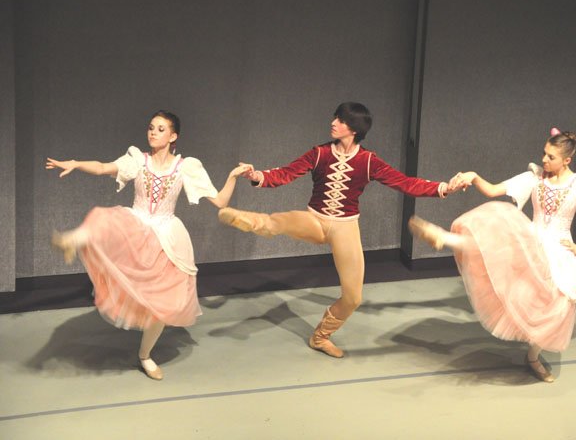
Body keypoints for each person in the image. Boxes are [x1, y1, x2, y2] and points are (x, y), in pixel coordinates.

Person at [218, 102, 454, 358]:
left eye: (340, 120)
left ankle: (320, 337)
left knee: (353, 297)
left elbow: (405, 183)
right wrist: (257, 175)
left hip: (346, 228)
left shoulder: (368, 161)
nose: (333, 123)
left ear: (354, 129)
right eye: (335, 118)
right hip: (315, 220)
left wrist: (443, 188)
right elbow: (286, 173)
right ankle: (249, 220)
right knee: (282, 220)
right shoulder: (319, 153)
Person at [46, 110, 251, 380]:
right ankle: (72, 241)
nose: (153, 132)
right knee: (105, 219)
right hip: (137, 225)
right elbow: (103, 166)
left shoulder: (186, 167)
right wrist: (76, 163)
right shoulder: (138, 161)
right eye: (151, 127)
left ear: (173, 136)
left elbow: (220, 202)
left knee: (163, 306)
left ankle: (145, 356)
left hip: (167, 234)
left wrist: (234, 176)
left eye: (161, 129)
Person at [409, 127, 576, 382]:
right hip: (532, 239)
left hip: (559, 250)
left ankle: (532, 356)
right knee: (497, 237)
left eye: (551, 157)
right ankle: (446, 238)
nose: (544, 160)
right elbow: (493, 190)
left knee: (557, 306)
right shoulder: (534, 178)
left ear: (567, 160)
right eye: (544, 153)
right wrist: (474, 177)